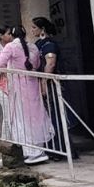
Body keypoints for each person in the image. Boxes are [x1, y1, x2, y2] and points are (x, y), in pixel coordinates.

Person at [0, 25, 52, 165]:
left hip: (18, 88)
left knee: (20, 119)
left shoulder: (11, 47)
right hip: (33, 86)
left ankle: (27, 152)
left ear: (12, 36)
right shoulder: (33, 47)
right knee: (35, 117)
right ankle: (38, 151)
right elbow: (38, 63)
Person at [32, 17, 66, 157]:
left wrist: (44, 83)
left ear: (42, 29)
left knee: (54, 115)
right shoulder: (39, 43)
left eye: (34, 27)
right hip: (41, 81)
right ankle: (49, 147)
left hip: (50, 84)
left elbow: (50, 64)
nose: (32, 30)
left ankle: (59, 149)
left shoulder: (49, 45)